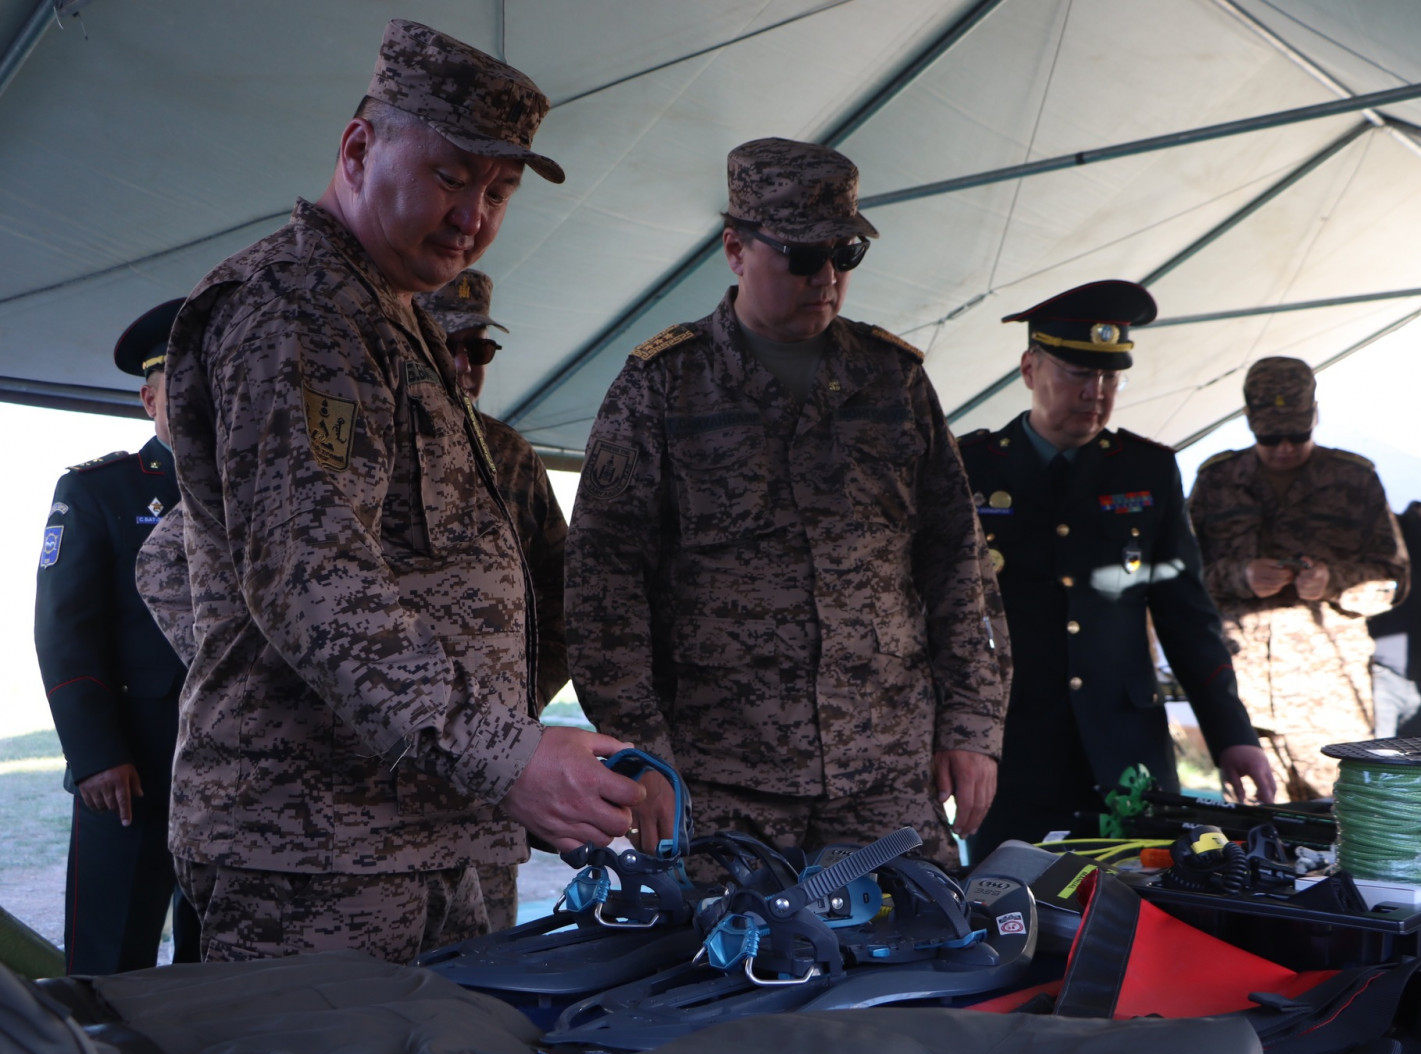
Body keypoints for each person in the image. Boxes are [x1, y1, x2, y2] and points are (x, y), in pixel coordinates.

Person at [153, 19, 642, 964]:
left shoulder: (391, 318)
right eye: (451, 176)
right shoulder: (297, 308)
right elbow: (307, 576)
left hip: (431, 831)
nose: (474, 216)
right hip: (317, 850)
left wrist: (518, 755)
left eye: (498, 191)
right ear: (357, 149)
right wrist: (504, 754)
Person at [565, 137, 1008, 871]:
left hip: (884, 777)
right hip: (722, 780)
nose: (827, 277)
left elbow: (957, 565)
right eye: (802, 257)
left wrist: (971, 723)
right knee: (723, 972)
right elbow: (602, 588)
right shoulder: (663, 385)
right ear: (735, 249)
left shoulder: (891, 381)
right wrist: (643, 755)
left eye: (844, 256)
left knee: (921, 970)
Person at [961, 280, 1275, 860]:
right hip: (1013, 748)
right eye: (1079, 374)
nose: (1095, 393)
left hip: (1127, 752)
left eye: (1110, 378)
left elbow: (1187, 617)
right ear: (1030, 368)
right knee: (1009, 914)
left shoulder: (1146, 469)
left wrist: (1233, 735)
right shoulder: (971, 465)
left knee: (1142, 915)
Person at [33, 299, 201, 974]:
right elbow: (64, 628)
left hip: (238, 773)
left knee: (221, 964)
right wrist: (97, 753)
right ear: (149, 398)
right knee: (110, 962)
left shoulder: (257, 492)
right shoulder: (98, 491)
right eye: (181, 388)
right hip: (132, 765)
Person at [415, 268, 569, 930]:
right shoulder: (345, 435)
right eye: (449, 344)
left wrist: (511, 708)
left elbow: (563, 601)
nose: (467, 365)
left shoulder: (506, 454)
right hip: (366, 782)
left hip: (483, 785)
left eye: (479, 349)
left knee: (482, 987)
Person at [1188, 356, 1409, 800]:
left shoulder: (1354, 479)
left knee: (1336, 835)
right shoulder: (1217, 481)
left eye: (1298, 434)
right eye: (1271, 438)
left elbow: (1394, 580)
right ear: (1249, 420)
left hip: (1329, 703)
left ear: (1315, 416)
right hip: (1243, 699)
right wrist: (1240, 575)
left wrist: (1333, 581)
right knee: (1250, 841)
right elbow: (1181, 579)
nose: (1285, 448)